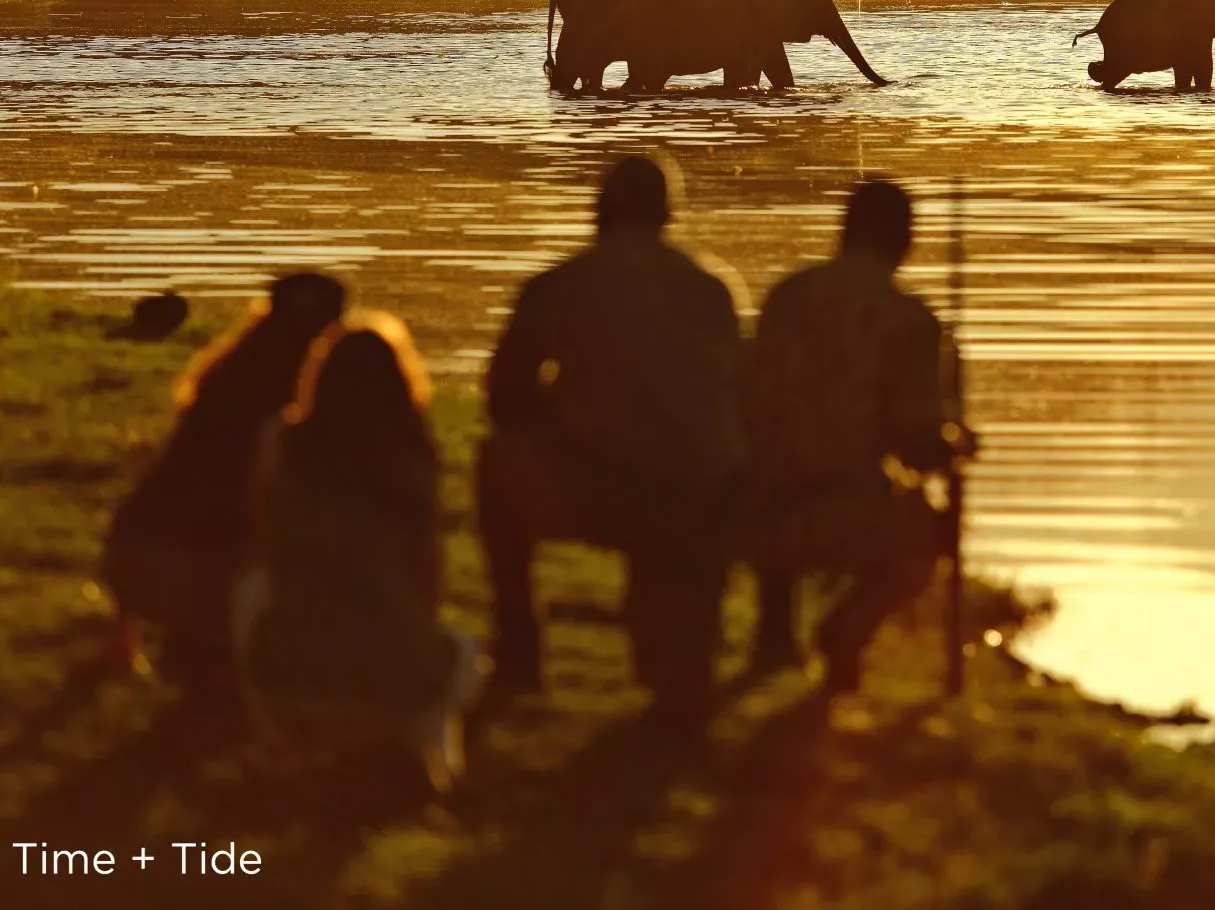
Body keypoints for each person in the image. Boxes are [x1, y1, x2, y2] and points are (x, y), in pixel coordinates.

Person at [477, 154, 747, 727]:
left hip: (608, 484)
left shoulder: (559, 285)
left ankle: (519, 642)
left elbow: (504, 397)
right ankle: (681, 665)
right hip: (701, 493)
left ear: (598, 210)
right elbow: (735, 396)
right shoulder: (712, 287)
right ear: (668, 216)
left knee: (497, 462)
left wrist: (566, 408)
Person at [747, 178, 976, 693]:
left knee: (779, 470)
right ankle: (846, 629)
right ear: (905, 241)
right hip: (842, 512)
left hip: (756, 508)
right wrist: (956, 441)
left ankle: (775, 630)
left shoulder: (787, 296)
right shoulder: (907, 320)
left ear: (844, 230)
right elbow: (917, 445)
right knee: (931, 536)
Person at [234, 314, 481, 791]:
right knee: (466, 651)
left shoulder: (282, 443)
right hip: (392, 667)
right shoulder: (414, 456)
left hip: (293, 663)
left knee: (250, 590)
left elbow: (264, 542)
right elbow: (428, 574)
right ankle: (420, 747)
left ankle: (283, 740)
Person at [95, 271, 347, 698]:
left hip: (134, 566)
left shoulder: (221, 381)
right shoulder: (295, 406)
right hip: (215, 571)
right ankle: (223, 642)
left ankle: (135, 642)